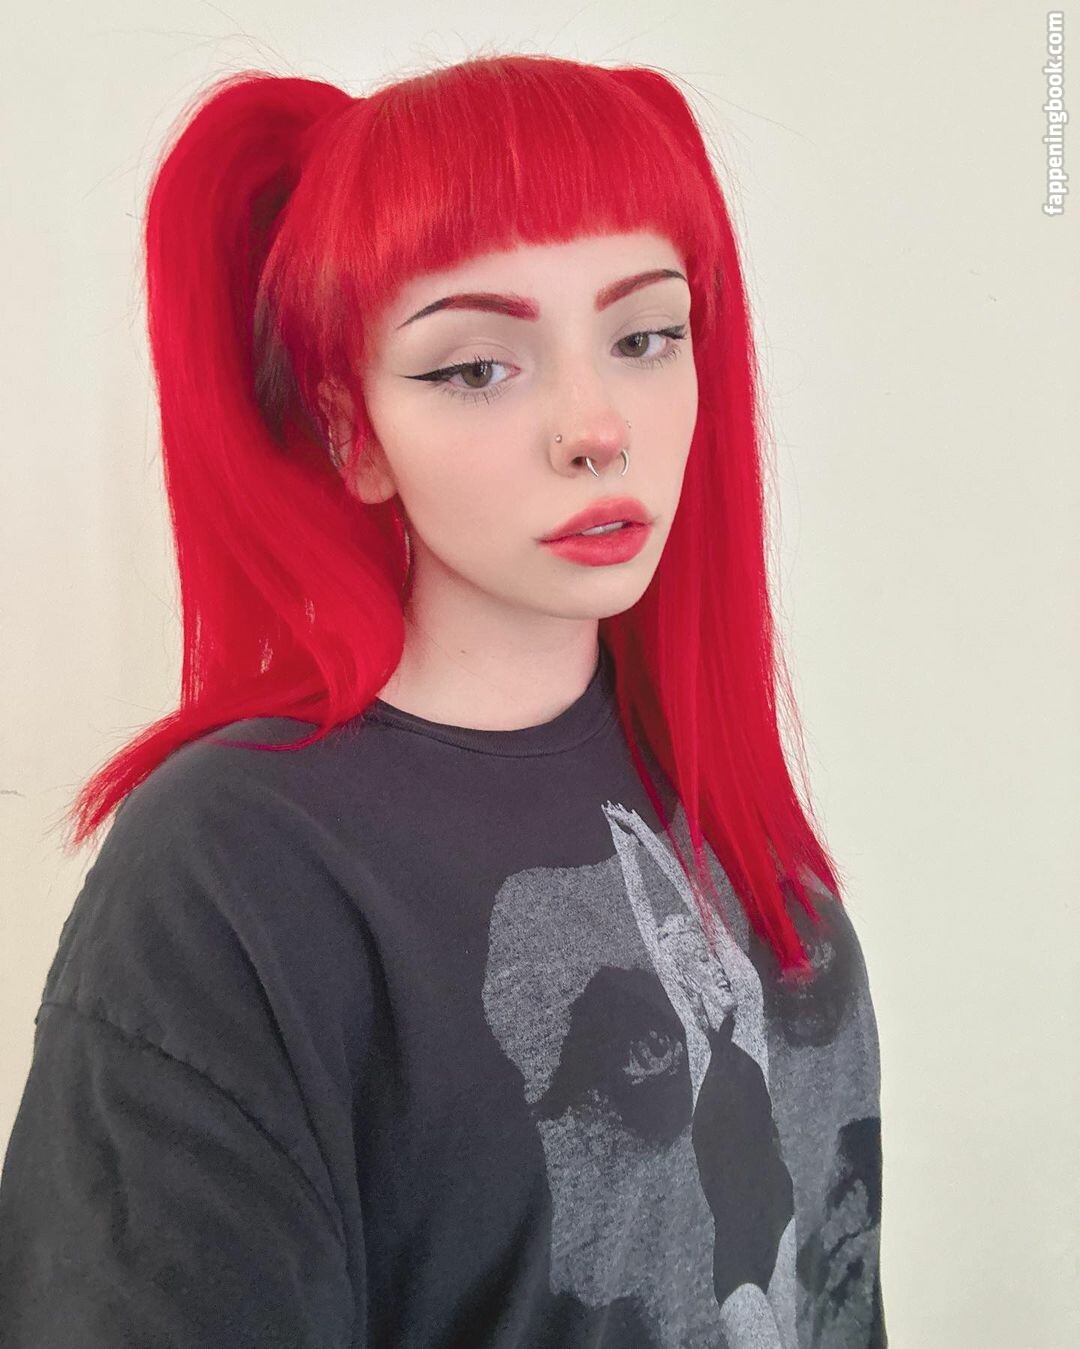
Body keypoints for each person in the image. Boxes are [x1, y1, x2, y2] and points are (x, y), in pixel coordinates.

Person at [0, 53, 887, 1348]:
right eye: (477, 367)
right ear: (350, 431)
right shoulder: (237, 866)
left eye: (645, 337)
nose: (596, 426)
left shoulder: (717, 799)